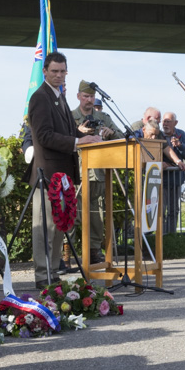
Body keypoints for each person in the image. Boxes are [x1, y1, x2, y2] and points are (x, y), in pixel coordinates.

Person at [26, 53, 102, 288]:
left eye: (63, 72)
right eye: (55, 71)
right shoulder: (40, 98)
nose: (59, 75)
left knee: (60, 224)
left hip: (63, 174)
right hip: (46, 174)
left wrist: (90, 137)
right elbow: (44, 136)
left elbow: (70, 130)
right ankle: (42, 275)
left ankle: (52, 272)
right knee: (45, 226)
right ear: (45, 71)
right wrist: (79, 143)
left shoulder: (59, 97)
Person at [70, 81, 123, 265]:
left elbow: (122, 137)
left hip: (99, 172)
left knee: (96, 215)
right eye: (85, 96)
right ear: (78, 96)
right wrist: (77, 132)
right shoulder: (70, 117)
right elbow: (62, 138)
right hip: (77, 171)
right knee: (72, 213)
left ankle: (94, 251)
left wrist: (111, 133)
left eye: (92, 97)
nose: (89, 100)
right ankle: (66, 256)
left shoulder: (103, 117)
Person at [161, 112, 185, 234]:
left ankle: (171, 235)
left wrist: (180, 145)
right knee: (162, 210)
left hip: (177, 179)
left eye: (168, 121)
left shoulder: (181, 134)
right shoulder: (159, 135)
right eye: (164, 121)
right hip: (162, 180)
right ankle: (162, 236)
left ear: (175, 123)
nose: (165, 124)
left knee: (174, 210)